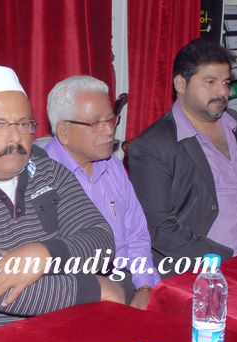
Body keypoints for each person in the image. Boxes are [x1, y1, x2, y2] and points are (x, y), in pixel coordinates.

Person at [0, 65, 131, 332]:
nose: (15, 137)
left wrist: (45, 254)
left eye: (23, 124)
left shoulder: (48, 171)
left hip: (71, 326)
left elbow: (101, 240)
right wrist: (97, 288)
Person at [128, 39, 237, 273]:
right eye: (210, 82)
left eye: (226, 82)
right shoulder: (152, 146)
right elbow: (160, 229)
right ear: (181, 84)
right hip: (212, 271)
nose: (222, 92)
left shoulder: (234, 123)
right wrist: (231, 260)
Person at [45, 75, 160, 309]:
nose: (109, 131)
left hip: (128, 280)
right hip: (77, 295)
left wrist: (145, 288)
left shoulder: (112, 166)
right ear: (64, 131)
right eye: (96, 123)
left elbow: (137, 235)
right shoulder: (41, 179)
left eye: (111, 120)